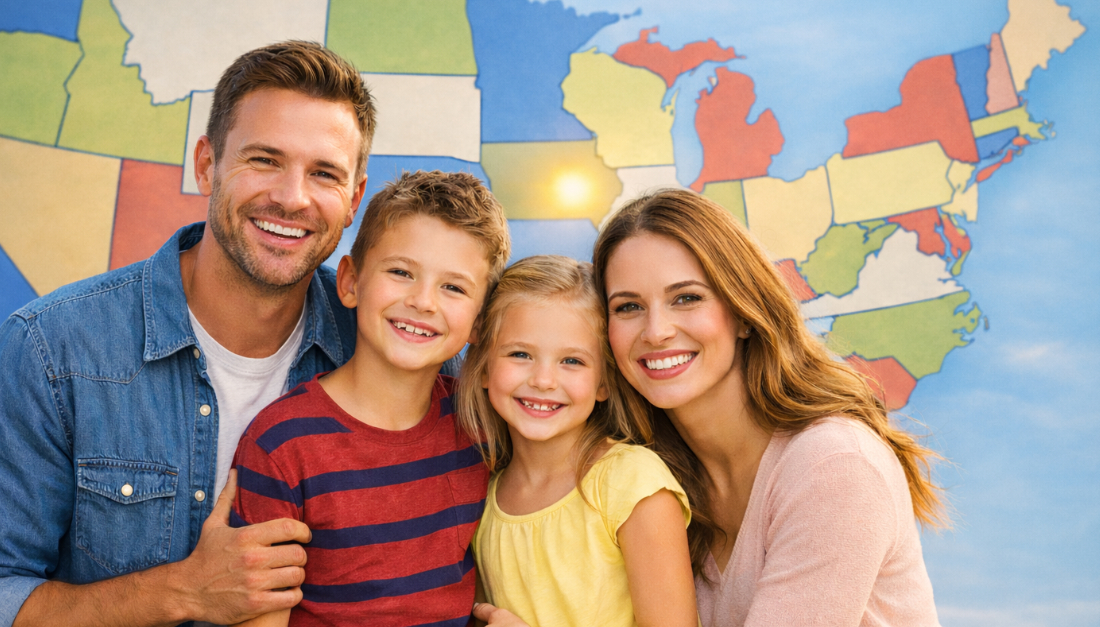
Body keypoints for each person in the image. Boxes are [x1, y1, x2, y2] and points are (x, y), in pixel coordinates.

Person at [0, 41, 430, 626]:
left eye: (324, 174)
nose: (291, 197)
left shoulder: (398, 349)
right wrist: (181, 592)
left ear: (354, 197)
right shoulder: (51, 349)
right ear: (206, 164)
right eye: (264, 160)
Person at [592, 189, 944, 626]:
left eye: (686, 298)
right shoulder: (646, 482)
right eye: (628, 307)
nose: (657, 331)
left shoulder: (834, 466)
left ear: (742, 311)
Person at [229, 170, 511, 626]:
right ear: (350, 283)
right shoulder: (282, 445)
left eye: (453, 287)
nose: (423, 302)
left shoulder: (481, 426)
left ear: (480, 323)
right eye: (401, 272)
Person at [458, 255, 697, 627]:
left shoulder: (631, 484)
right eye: (520, 354)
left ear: (603, 382)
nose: (543, 380)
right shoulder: (483, 497)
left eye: (572, 361)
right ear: (485, 367)